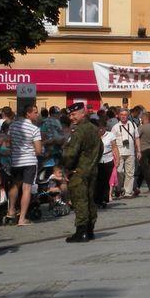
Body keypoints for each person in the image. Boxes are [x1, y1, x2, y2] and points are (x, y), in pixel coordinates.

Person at [61, 102, 103, 243]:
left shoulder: (79, 131)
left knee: (80, 201)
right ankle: (90, 230)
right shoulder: (94, 129)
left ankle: (81, 231)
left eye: (74, 114)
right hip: (92, 170)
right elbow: (101, 149)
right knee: (90, 200)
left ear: (83, 113)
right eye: (70, 115)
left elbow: (70, 154)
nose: (71, 117)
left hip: (79, 171)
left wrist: (67, 167)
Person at [9, 103, 43, 225]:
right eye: (35, 112)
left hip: (16, 160)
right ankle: (22, 218)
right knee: (26, 188)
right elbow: (38, 150)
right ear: (28, 114)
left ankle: (11, 211)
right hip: (29, 161)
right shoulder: (35, 129)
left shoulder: (13, 126)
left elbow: (10, 143)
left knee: (14, 186)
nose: (37, 114)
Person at [110, 107, 140, 198]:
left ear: (128, 116)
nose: (123, 117)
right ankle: (118, 188)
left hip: (130, 152)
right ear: (119, 116)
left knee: (130, 173)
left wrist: (139, 150)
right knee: (119, 171)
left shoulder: (133, 125)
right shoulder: (115, 127)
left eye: (125, 115)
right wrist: (113, 153)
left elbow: (137, 138)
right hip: (119, 153)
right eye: (122, 115)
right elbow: (112, 141)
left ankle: (128, 192)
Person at [135, 110, 150, 193]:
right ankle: (137, 186)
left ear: (144, 119)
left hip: (143, 150)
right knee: (142, 169)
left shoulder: (141, 128)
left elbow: (136, 137)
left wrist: (137, 150)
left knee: (145, 170)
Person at [95, 116, 115, 208]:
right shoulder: (94, 136)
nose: (100, 129)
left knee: (106, 181)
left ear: (105, 127)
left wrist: (117, 159)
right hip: (97, 161)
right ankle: (97, 200)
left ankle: (104, 199)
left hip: (108, 160)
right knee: (98, 181)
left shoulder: (110, 135)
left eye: (102, 127)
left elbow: (114, 147)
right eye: (99, 128)